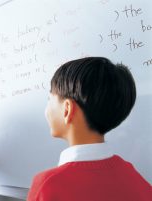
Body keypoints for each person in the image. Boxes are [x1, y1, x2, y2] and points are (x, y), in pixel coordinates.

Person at [27, 57, 152, 201]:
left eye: (49, 99)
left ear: (67, 109)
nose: (47, 109)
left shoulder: (47, 185)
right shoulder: (133, 177)